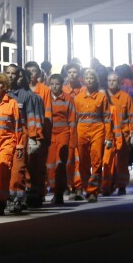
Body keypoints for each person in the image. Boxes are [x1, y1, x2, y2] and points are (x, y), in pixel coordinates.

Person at [5, 64, 45, 212]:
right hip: (4, 136)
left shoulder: (26, 96)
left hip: (22, 135)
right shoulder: (0, 94)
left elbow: (31, 119)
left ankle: (18, 199)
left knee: (20, 169)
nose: (10, 76)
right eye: (7, 73)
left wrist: (34, 138)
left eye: (13, 74)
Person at [0, 73, 23, 216]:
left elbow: (18, 126)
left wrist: (19, 145)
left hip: (7, 141)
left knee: (3, 167)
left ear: (5, 85)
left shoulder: (12, 103)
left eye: (0, 82)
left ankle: (1, 200)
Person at [73, 68, 112, 202]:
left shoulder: (102, 97)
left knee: (96, 161)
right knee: (83, 161)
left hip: (97, 130)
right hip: (81, 130)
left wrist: (109, 137)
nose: (89, 80)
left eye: (92, 78)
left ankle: (93, 191)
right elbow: (74, 119)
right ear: (83, 80)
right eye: (87, 78)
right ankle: (85, 187)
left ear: (96, 80)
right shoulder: (78, 98)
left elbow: (107, 118)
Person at [102, 72, 133, 196]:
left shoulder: (125, 97)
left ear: (119, 83)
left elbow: (132, 117)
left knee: (122, 163)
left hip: (123, 135)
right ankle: (107, 186)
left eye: (114, 81)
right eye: (109, 80)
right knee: (107, 161)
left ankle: (121, 186)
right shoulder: (102, 96)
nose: (111, 83)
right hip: (108, 135)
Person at [24, 61, 53, 207]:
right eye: (28, 71)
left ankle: (39, 192)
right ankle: (29, 192)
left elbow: (48, 114)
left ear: (39, 73)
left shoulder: (44, 90)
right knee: (26, 165)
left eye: (34, 71)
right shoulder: (22, 90)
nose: (31, 74)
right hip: (25, 133)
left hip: (40, 132)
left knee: (39, 165)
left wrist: (45, 134)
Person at [46, 74, 77, 204]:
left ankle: (59, 192)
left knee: (60, 163)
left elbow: (73, 120)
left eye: (57, 84)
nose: (54, 86)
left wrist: (73, 140)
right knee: (50, 165)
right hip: (49, 134)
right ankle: (54, 190)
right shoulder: (46, 98)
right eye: (52, 84)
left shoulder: (68, 99)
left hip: (63, 134)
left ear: (61, 84)